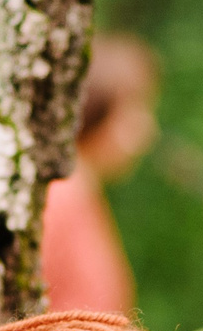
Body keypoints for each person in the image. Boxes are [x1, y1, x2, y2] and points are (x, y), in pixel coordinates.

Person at [40, 34, 158, 315]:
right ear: (97, 105)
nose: (147, 129)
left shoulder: (81, 193)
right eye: (136, 110)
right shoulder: (61, 197)